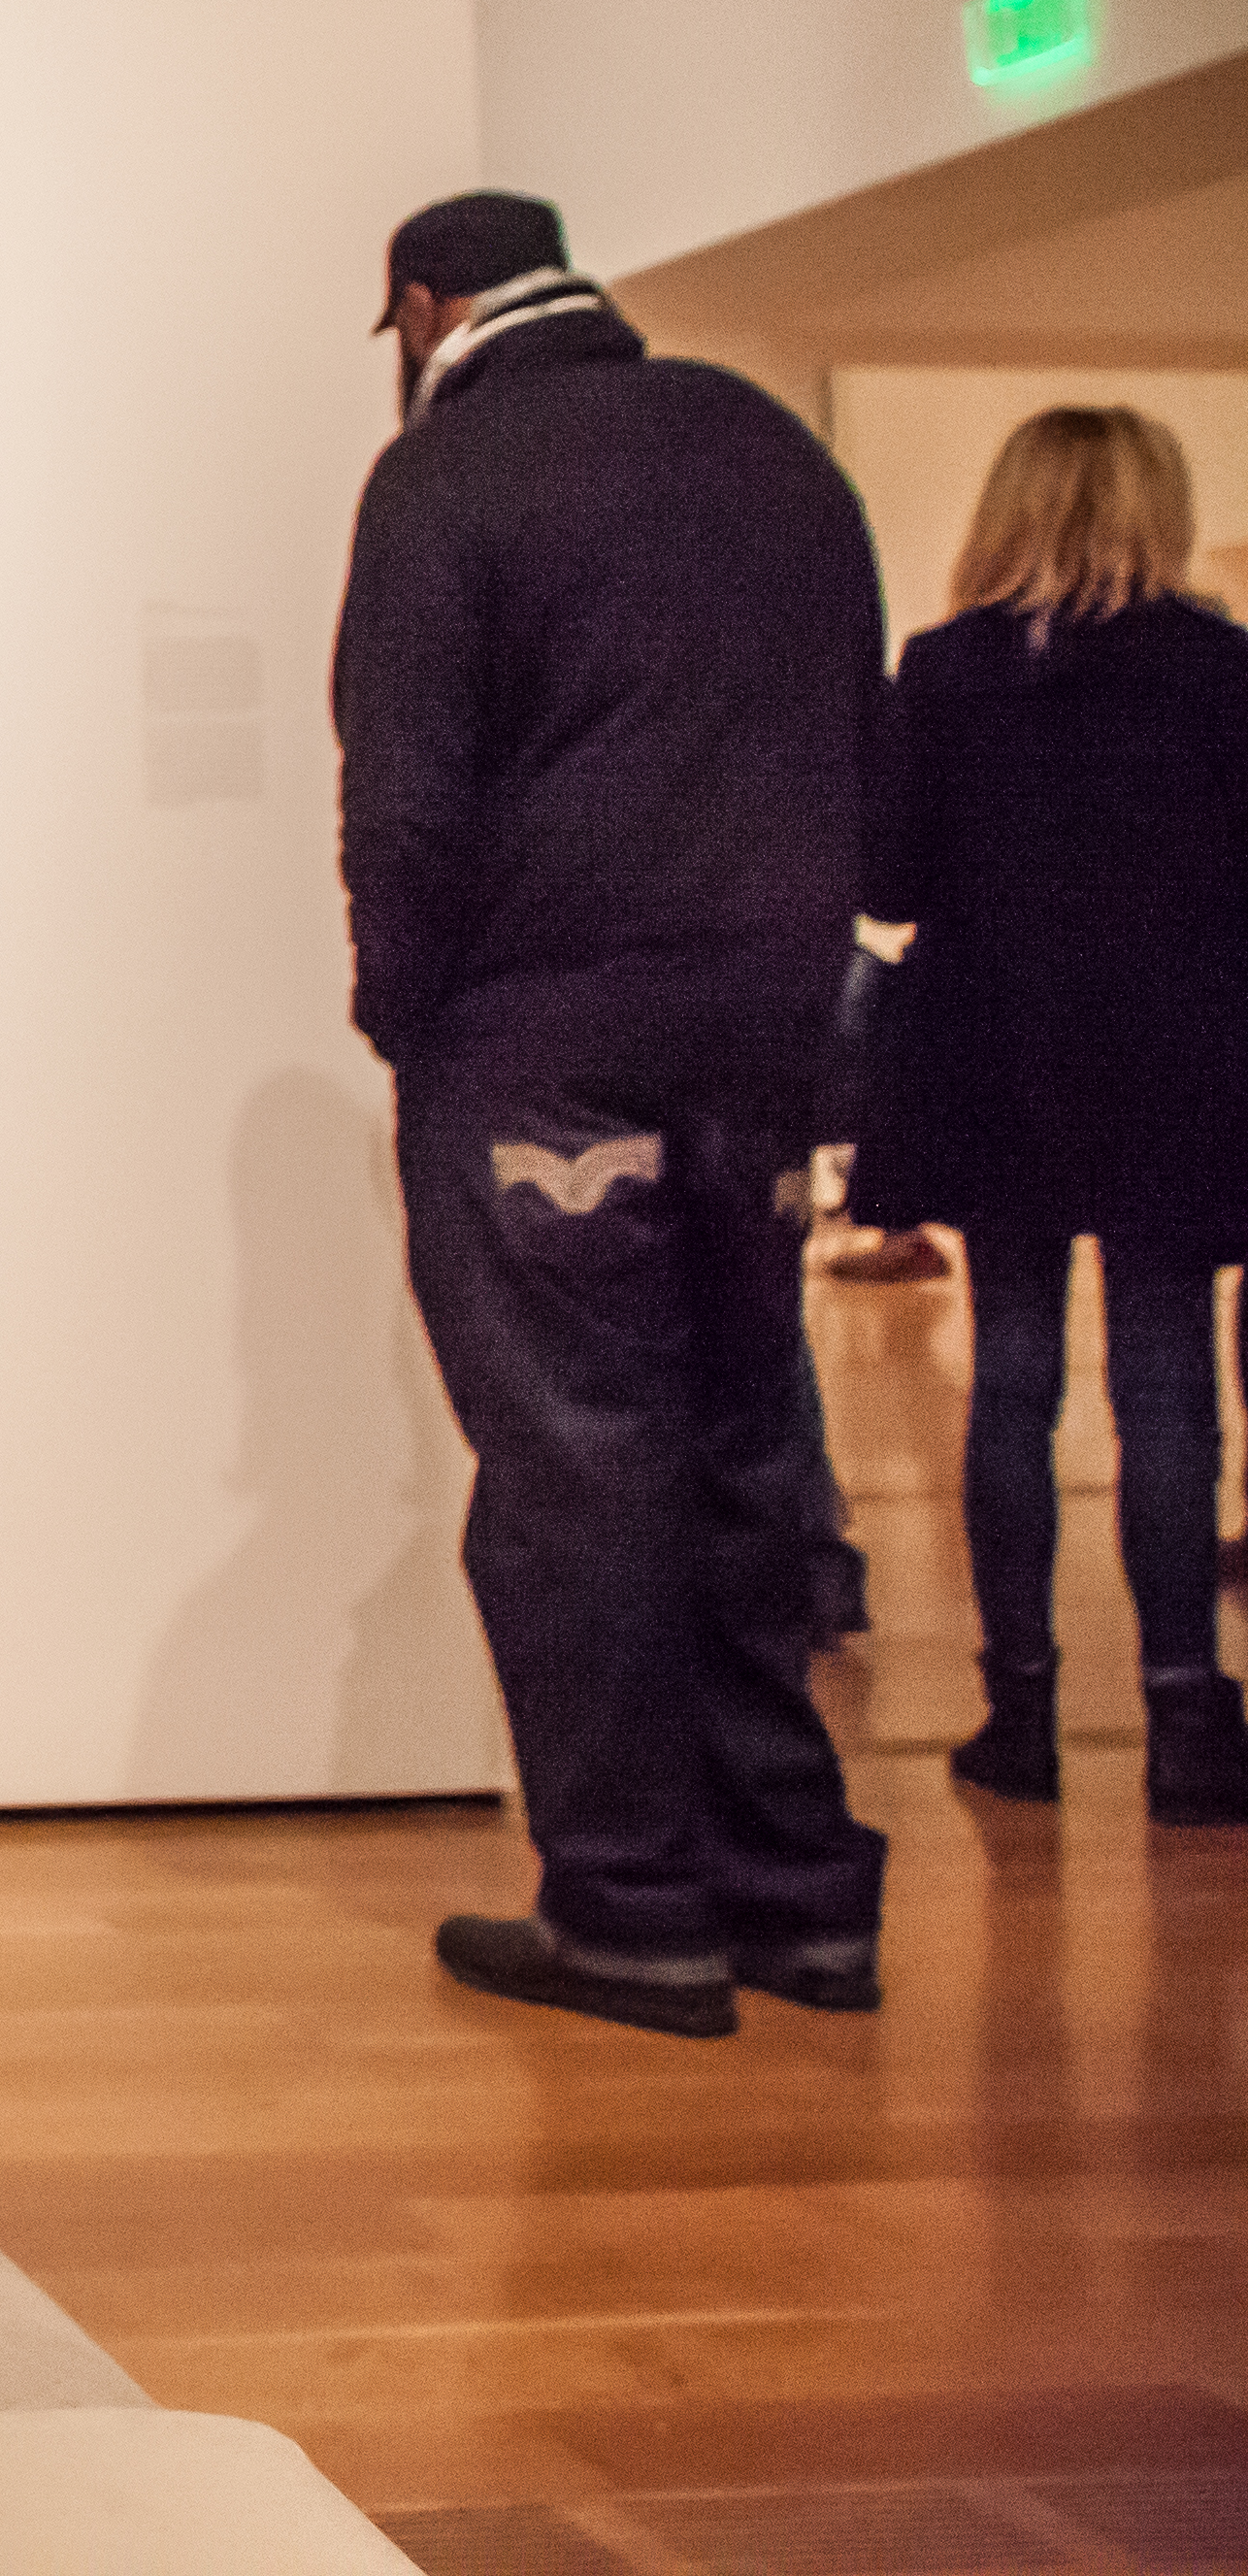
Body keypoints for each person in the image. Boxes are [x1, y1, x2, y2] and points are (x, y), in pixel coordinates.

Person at [334, 192, 892, 2034]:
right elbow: (851, 755)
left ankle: (634, 1909)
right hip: (762, 1030)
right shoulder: (765, 445)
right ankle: (801, 1897)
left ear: (425, 305)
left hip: (542, 1038)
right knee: (743, 1447)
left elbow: (403, 800)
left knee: (575, 1472)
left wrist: (407, 1014)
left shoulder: (450, 474)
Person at [848, 407, 1248, 1825]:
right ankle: (1191, 1717)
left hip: (994, 1053)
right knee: (1166, 1385)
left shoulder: (948, 673)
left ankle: (1017, 1707)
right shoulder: (1223, 672)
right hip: (1181, 1061)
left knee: (1011, 1376)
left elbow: (888, 886)